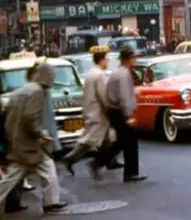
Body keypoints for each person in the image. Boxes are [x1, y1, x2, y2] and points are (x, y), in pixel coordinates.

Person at [0, 62, 67, 212]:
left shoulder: (21, 91)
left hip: (18, 141)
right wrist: (40, 134)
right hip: (30, 143)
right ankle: (51, 202)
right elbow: (30, 117)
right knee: (48, 169)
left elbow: (8, 118)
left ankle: (52, 201)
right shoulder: (37, 92)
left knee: (12, 177)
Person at [63, 47, 122, 174]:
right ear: (102, 60)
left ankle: (110, 161)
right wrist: (110, 109)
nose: (107, 61)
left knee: (108, 139)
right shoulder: (99, 75)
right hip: (98, 113)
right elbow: (103, 95)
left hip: (92, 110)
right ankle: (71, 158)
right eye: (106, 58)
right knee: (90, 140)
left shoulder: (90, 73)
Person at [90, 47, 146, 182]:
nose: (135, 60)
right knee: (130, 141)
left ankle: (99, 162)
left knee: (122, 141)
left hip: (114, 110)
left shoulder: (120, 72)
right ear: (128, 59)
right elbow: (124, 96)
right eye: (133, 57)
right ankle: (130, 172)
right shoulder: (123, 74)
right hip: (119, 111)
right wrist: (129, 115)